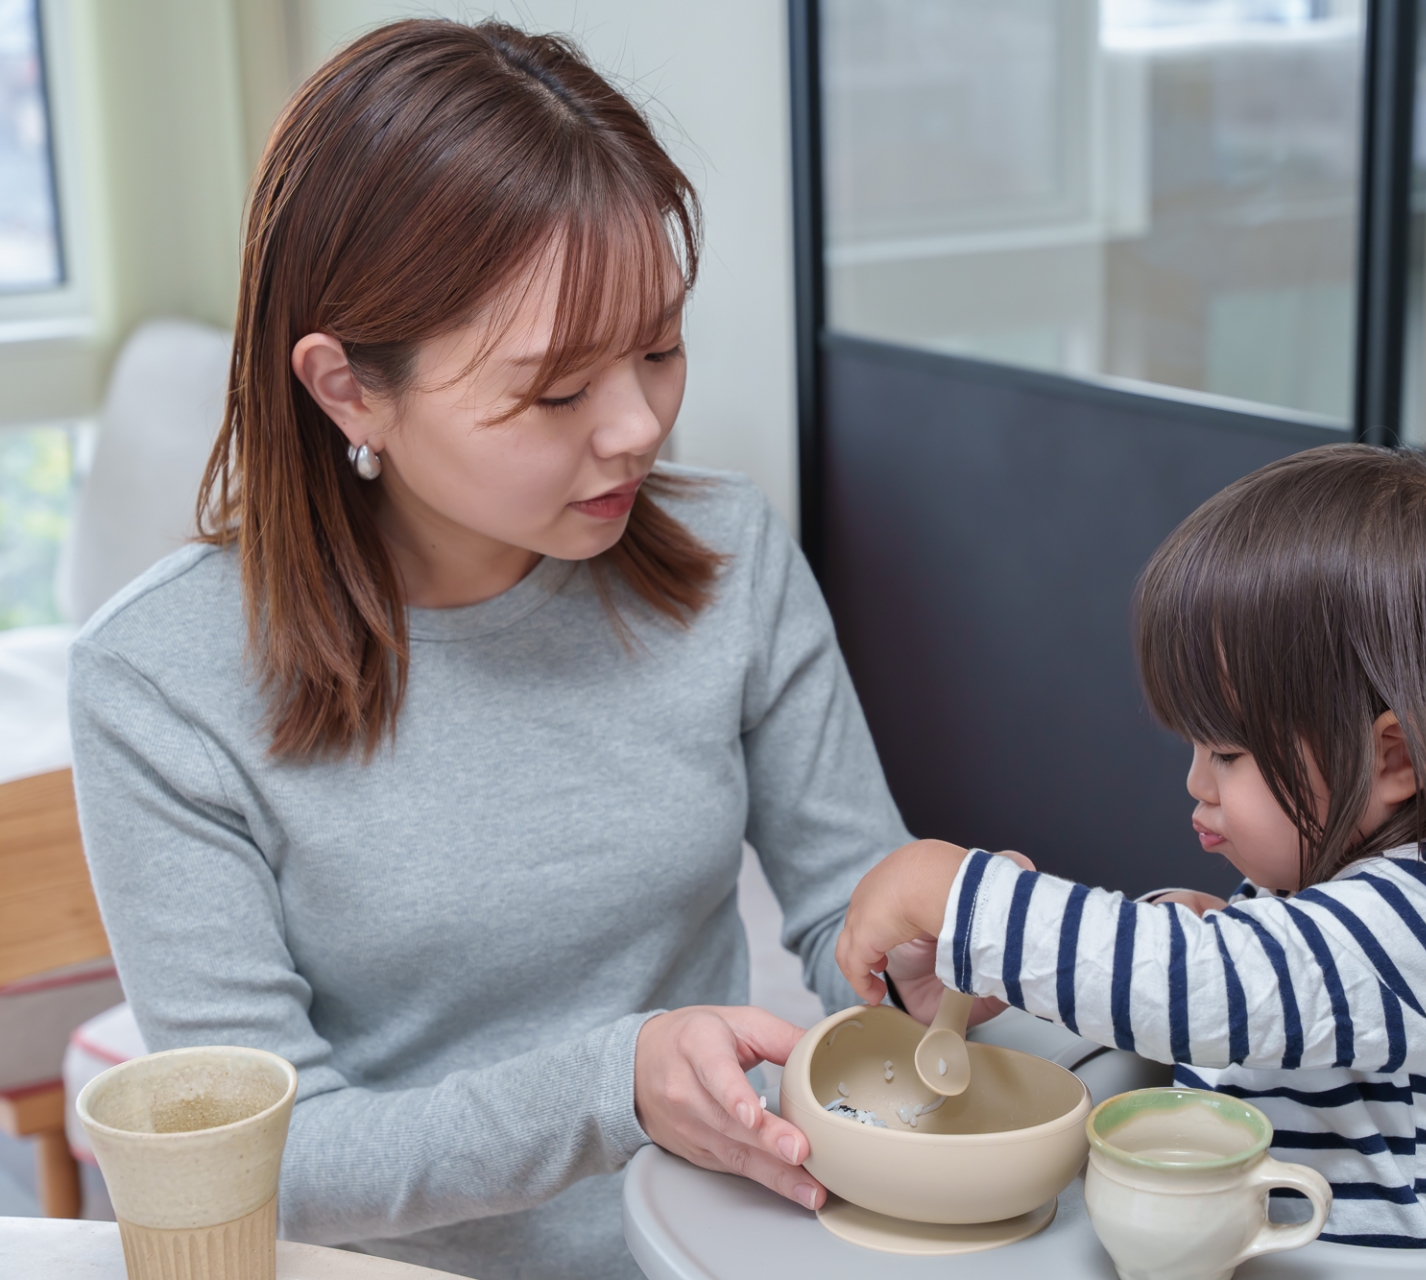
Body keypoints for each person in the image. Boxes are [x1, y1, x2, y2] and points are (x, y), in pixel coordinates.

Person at [67, 20, 972, 1279]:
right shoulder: (159, 682)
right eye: (556, 391)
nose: (637, 425)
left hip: (718, 1245)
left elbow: (846, 914)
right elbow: (277, 1158)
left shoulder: (730, 554)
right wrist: (615, 1085)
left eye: (660, 346)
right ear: (347, 389)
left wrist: (957, 952)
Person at [838, 445, 1426, 1249]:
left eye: (1228, 753)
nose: (1197, 782)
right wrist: (998, 966)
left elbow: (1210, 991)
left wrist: (959, 895)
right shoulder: (1337, 889)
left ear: (1395, 758)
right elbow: (1249, 975)